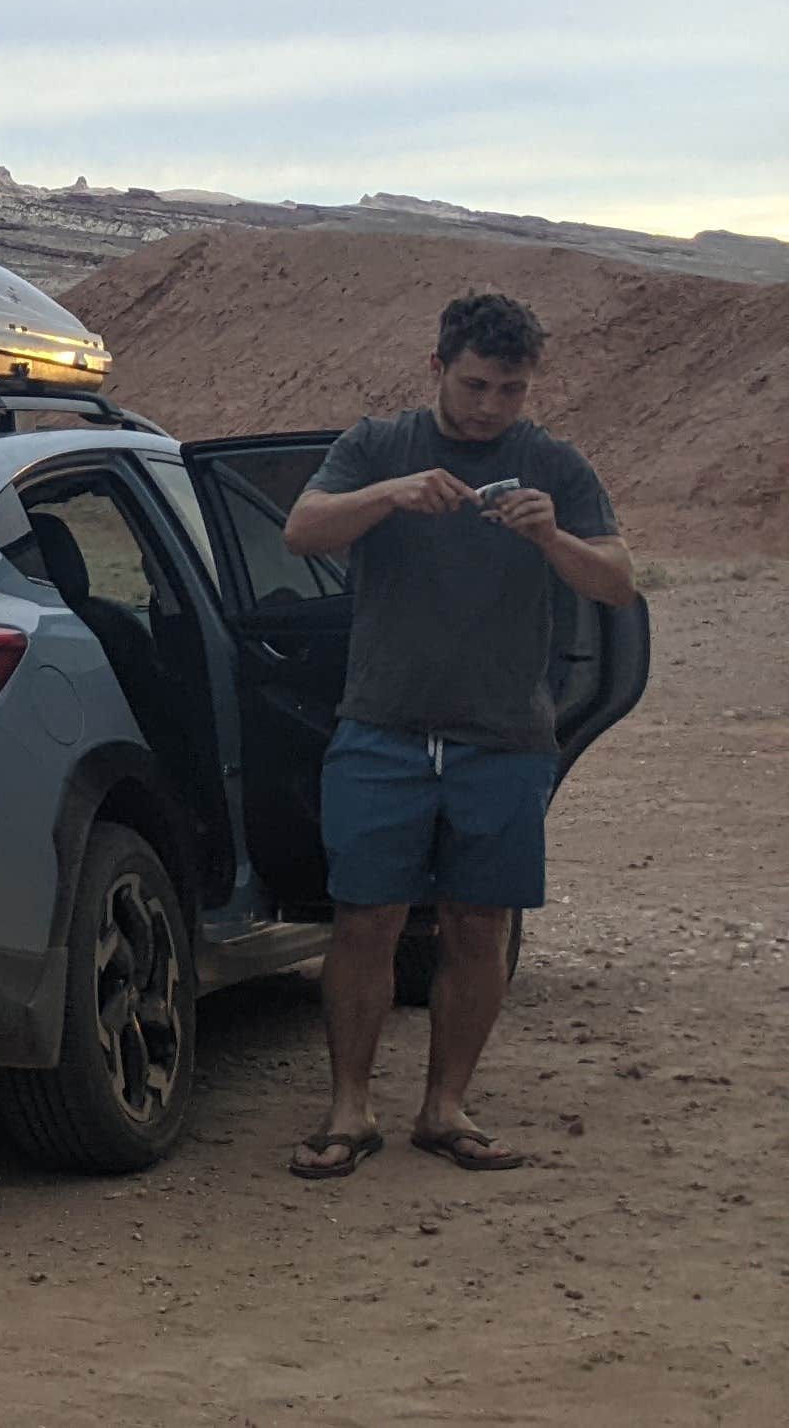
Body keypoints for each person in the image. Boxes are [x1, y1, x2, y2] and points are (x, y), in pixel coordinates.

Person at [275, 290, 636, 1179]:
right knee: (367, 920)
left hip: (505, 735)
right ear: (438, 369)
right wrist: (389, 495)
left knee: (480, 925)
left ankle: (445, 1108)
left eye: (510, 390)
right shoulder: (377, 444)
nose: (489, 407)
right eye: (475, 385)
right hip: (382, 728)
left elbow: (618, 585)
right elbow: (300, 531)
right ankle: (349, 1110)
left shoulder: (553, 463)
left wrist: (554, 537)